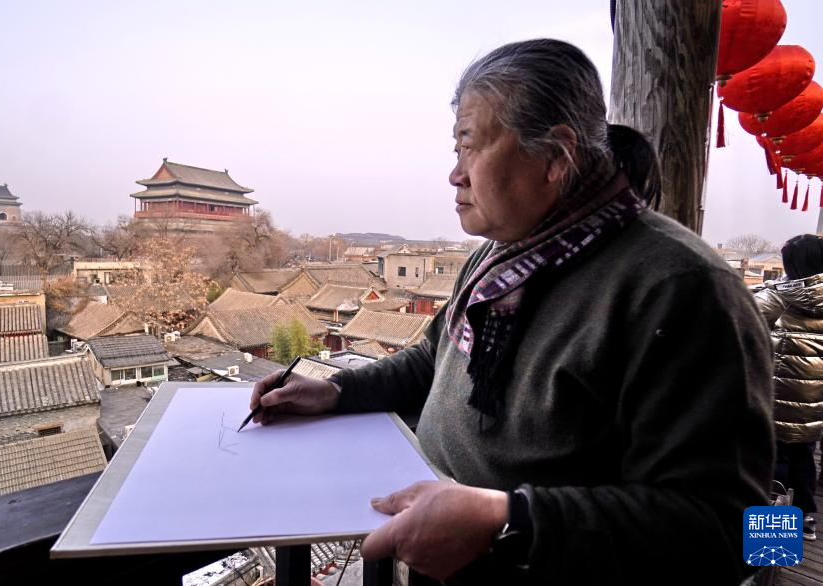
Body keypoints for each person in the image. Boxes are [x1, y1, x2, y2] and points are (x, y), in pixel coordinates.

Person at [250, 39, 775, 584]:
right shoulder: (498, 258)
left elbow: (731, 528)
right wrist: (338, 391)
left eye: (469, 146)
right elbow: (438, 357)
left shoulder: (679, 289)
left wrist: (507, 522)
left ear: (556, 156)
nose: (455, 174)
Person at [755, 234, 823, 541]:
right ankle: (806, 518)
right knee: (804, 460)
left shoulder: (779, 297)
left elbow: (741, 318)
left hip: (778, 401)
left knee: (775, 465)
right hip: (814, 406)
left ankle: (773, 540)